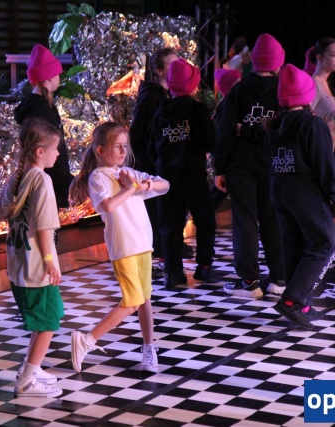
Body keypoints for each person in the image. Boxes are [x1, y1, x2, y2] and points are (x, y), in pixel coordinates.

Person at [69, 121, 169, 373]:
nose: (124, 151)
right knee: (132, 301)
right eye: (118, 146)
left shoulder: (129, 174)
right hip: (123, 247)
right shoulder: (98, 177)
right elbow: (107, 206)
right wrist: (132, 188)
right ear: (101, 150)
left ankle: (149, 348)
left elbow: (165, 185)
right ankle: (87, 339)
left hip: (143, 244)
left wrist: (143, 185)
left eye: (125, 146)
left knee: (144, 299)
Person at [267, 64, 335, 329]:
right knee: (324, 244)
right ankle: (292, 301)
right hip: (306, 192)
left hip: (280, 189)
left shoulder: (274, 125)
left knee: (295, 246)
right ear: (306, 95)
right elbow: (326, 166)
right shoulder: (312, 125)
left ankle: (302, 305)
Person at [0, 117, 64, 398]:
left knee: (43, 319)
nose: (58, 154)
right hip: (37, 267)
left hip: (18, 264)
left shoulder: (18, 176)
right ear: (39, 151)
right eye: (55, 149)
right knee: (49, 322)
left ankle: (31, 368)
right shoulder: (42, 179)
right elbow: (44, 226)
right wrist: (49, 261)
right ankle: (27, 380)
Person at [214, 33, 286, 298]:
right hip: (275, 164)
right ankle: (279, 278)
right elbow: (282, 131)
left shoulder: (239, 90)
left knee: (245, 221)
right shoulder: (283, 91)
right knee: (273, 220)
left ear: (253, 61)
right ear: (278, 62)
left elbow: (225, 132)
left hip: (240, 165)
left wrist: (220, 168)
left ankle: (249, 282)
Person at [150, 58, 220, 289]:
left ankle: (173, 272)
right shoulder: (198, 109)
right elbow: (210, 141)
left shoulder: (161, 109)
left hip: (165, 175)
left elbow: (152, 145)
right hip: (192, 172)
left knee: (169, 225)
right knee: (205, 220)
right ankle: (204, 267)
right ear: (193, 84)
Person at [128, 47, 193, 275]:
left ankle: (169, 250)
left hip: (161, 166)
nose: (177, 68)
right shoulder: (151, 97)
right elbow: (139, 134)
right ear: (158, 70)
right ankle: (159, 257)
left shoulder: (165, 96)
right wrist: (152, 164)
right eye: (171, 64)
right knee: (157, 215)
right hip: (152, 168)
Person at [14, 43, 73, 209]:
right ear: (47, 79)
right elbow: (43, 149)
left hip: (54, 179)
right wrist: (67, 182)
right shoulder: (37, 109)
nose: (59, 78)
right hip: (48, 182)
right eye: (57, 74)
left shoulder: (46, 105)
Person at [310, 37, 335, 165]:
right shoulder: (313, 84)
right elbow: (308, 119)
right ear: (319, 57)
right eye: (333, 55)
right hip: (318, 147)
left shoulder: (326, 83)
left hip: (329, 143)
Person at [211, 68, 242, 210]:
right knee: (220, 189)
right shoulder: (227, 106)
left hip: (228, 156)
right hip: (229, 156)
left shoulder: (227, 104)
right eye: (237, 83)